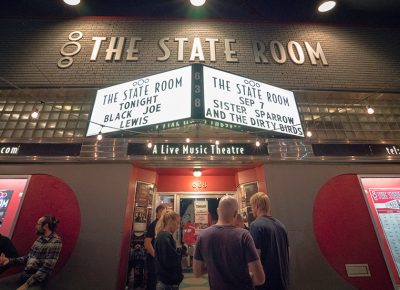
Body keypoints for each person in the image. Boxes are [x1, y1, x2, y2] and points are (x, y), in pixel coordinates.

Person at [193, 195, 265, 290]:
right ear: (235, 214)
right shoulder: (244, 235)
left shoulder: (203, 236)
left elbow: (197, 272)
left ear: (218, 211)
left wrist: (215, 265)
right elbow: (260, 279)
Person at [0, 215, 62, 290]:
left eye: (38, 224)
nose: (36, 226)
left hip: (37, 280)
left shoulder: (55, 242)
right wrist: (9, 261)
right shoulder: (40, 239)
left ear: (45, 226)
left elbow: (46, 269)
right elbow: (28, 258)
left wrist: (26, 284)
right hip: (25, 274)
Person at [249, 192, 290, 290]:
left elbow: (255, 257)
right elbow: (288, 253)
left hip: (267, 284)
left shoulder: (256, 226)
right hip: (283, 282)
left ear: (257, 206)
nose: (251, 210)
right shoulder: (281, 225)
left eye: (252, 206)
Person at [154, 210, 183, 290]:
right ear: (171, 222)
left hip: (166, 281)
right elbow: (171, 261)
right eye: (177, 223)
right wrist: (180, 250)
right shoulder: (164, 237)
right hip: (167, 283)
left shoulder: (163, 236)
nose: (178, 226)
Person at [144, 204, 168, 290]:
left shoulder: (163, 226)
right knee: (152, 281)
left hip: (161, 260)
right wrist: (156, 256)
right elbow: (147, 243)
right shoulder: (153, 225)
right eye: (162, 211)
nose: (164, 214)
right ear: (157, 213)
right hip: (153, 260)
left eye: (165, 212)